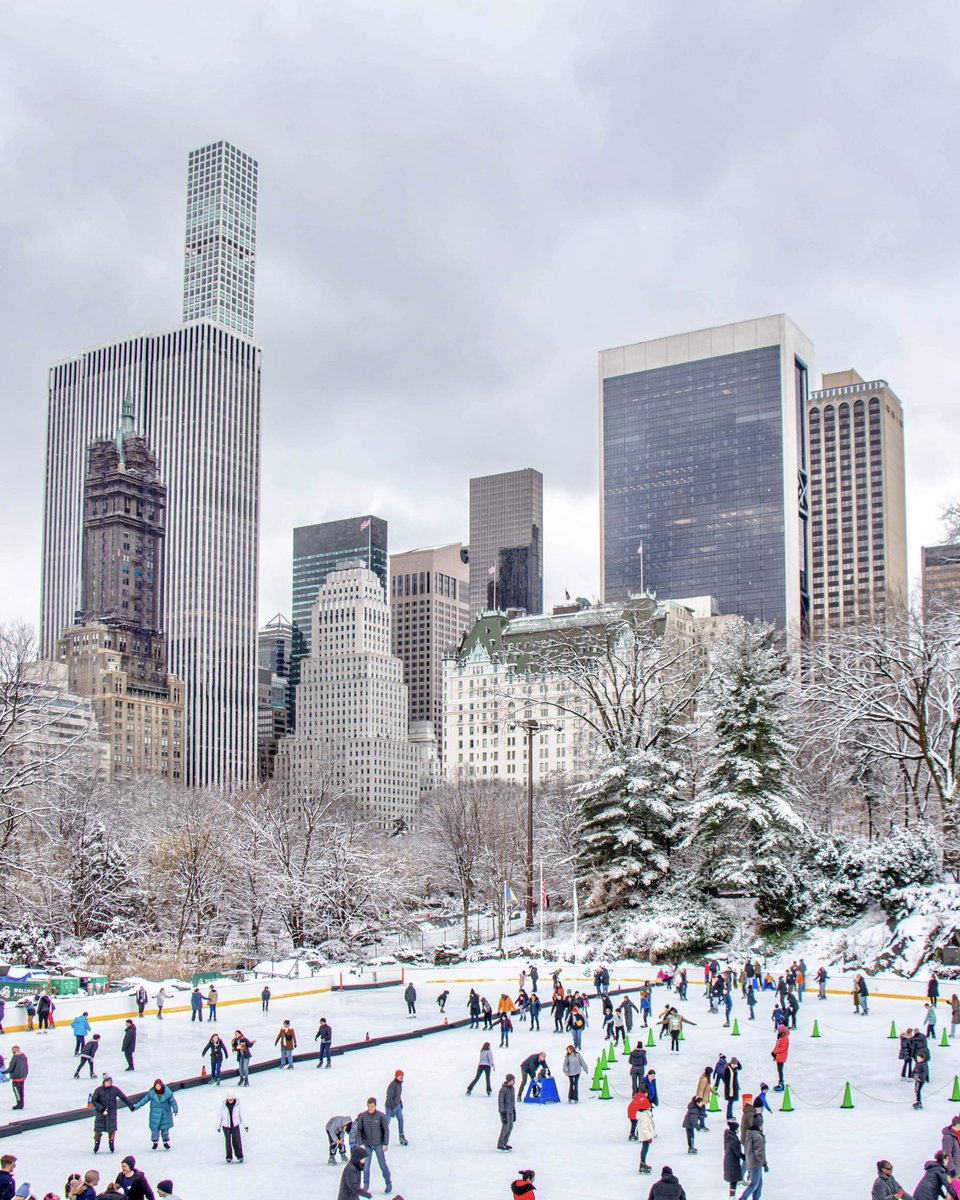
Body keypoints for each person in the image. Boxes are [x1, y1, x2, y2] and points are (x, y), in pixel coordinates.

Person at [351, 1097, 391, 1194]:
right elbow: (359, 1130)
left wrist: (385, 1143)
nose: (370, 1108)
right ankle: (366, 1185)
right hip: (367, 1144)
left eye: (372, 1106)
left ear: (375, 1106)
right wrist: (361, 1143)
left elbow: (386, 1130)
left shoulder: (381, 1116)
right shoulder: (363, 1116)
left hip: (378, 1144)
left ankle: (388, 1183)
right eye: (369, 1106)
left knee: (382, 1165)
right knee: (366, 1166)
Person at [91, 1077, 134, 1154]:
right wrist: (102, 1109)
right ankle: (97, 1143)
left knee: (112, 1130)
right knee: (98, 1130)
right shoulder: (98, 1090)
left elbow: (123, 1097)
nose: (109, 1083)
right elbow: (93, 1101)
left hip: (111, 1114)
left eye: (110, 1082)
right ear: (104, 1082)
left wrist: (131, 1106)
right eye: (108, 1082)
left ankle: (111, 1143)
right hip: (101, 1114)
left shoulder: (114, 1089)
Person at [132, 1078, 178, 1150]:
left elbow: (173, 1102)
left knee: (165, 1130)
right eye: (156, 1086)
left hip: (165, 1115)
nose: (157, 1088)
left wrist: (175, 1109)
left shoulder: (167, 1093)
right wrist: (136, 1106)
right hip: (155, 1115)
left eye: (159, 1086)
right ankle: (155, 1143)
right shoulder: (151, 1093)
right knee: (154, 1131)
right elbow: (143, 1101)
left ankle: (165, 1142)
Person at [740, 1112, 768, 1199]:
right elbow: (760, 1153)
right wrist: (764, 1164)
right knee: (754, 1184)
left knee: (759, 1184)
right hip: (755, 1163)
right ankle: (743, 1198)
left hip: (750, 1161)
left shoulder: (750, 1133)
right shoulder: (757, 1136)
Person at [630, 1091, 656, 1173]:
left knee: (645, 1148)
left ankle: (643, 1162)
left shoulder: (646, 1114)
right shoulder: (644, 1116)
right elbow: (645, 1128)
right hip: (645, 1137)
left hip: (646, 1136)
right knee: (645, 1149)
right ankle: (642, 1162)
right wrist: (649, 1136)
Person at [218, 1094, 247, 1163]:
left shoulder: (238, 1105)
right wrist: (218, 1126)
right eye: (229, 1099)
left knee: (236, 1140)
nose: (230, 1101)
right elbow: (220, 1115)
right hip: (226, 1126)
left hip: (235, 1125)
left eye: (231, 1099)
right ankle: (229, 1156)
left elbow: (242, 1114)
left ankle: (240, 1155)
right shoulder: (223, 1105)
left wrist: (246, 1125)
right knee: (227, 1141)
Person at [385, 1070, 408, 1146]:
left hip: (397, 1106)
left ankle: (401, 1136)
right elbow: (389, 1098)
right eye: (400, 1075)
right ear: (396, 1076)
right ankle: (381, 1137)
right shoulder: (392, 1085)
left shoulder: (399, 1084)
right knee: (386, 1122)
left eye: (402, 1075)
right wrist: (391, 1109)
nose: (401, 1077)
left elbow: (398, 1095)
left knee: (401, 1120)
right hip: (390, 1107)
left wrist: (400, 1102)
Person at [723, 1121, 745, 1199]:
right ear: (735, 1129)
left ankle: (732, 1195)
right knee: (733, 1180)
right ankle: (732, 1196)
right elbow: (738, 1153)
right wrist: (745, 1158)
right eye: (738, 1128)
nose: (739, 1129)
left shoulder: (729, 1137)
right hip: (732, 1162)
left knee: (733, 1179)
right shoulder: (734, 1141)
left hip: (729, 1160)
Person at [497, 1074, 516, 1152]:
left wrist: (514, 1110)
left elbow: (512, 1101)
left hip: (511, 1110)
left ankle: (505, 1142)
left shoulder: (512, 1089)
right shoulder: (503, 1090)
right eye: (512, 1080)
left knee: (510, 1126)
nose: (514, 1082)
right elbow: (501, 1101)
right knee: (506, 1127)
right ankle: (500, 1144)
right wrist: (503, 1113)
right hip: (505, 1111)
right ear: (508, 1081)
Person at [771, 1026, 789, 1091]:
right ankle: (780, 1083)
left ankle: (781, 1084)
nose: (778, 1031)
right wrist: (774, 1052)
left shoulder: (784, 1038)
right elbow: (777, 1046)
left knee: (780, 1070)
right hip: (779, 1055)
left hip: (782, 1056)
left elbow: (782, 1048)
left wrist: (774, 1052)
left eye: (779, 1030)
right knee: (779, 1070)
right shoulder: (781, 1037)